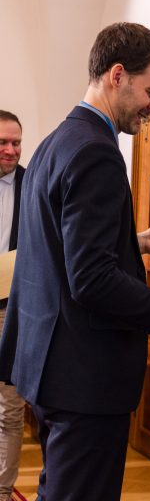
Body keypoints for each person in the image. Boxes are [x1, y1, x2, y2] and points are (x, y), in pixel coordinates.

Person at [0, 22, 150, 501]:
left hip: (50, 366)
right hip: (84, 375)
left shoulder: (56, 142)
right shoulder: (97, 151)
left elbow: (53, 249)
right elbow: (90, 280)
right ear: (117, 75)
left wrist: (135, 242)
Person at [0, 110, 25, 501]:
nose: (10, 150)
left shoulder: (34, 182)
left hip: (13, 310)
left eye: (16, 142)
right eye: (2, 142)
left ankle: (2, 490)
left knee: (9, 407)